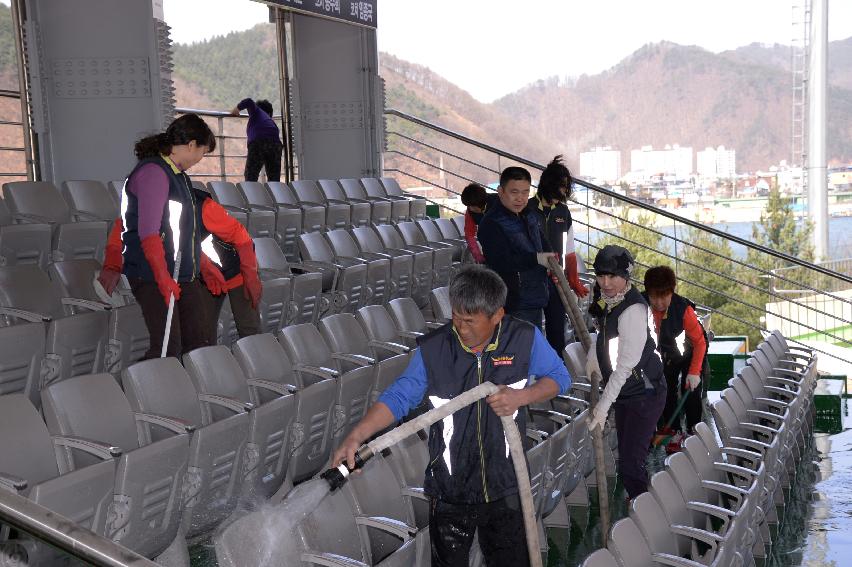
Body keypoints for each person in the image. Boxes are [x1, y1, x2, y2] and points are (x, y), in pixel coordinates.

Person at [332, 265, 571, 567]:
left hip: (507, 484)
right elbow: (398, 397)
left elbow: (560, 377)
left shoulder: (524, 339)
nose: (460, 327)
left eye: (470, 321)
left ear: (497, 315)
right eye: (456, 317)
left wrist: (521, 396)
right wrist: (356, 435)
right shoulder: (435, 350)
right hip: (450, 490)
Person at [100, 113, 261, 358]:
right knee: (168, 347)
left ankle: (192, 393)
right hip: (152, 273)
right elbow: (148, 233)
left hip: (184, 272)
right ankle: (145, 391)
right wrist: (162, 277)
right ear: (191, 145)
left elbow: (185, 232)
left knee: (197, 343)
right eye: (202, 152)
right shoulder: (153, 173)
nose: (199, 159)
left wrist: (202, 264)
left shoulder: (180, 177)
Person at [586, 245, 665, 500]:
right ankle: (640, 507)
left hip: (644, 393)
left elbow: (626, 365)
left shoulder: (633, 310)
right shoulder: (610, 300)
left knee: (632, 464)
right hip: (626, 393)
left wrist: (602, 407)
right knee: (628, 460)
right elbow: (605, 338)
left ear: (626, 277)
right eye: (601, 276)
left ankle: (646, 516)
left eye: (612, 276)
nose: (605, 282)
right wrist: (593, 359)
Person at [477, 166, 557, 330]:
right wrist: (536, 259)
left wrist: (551, 259)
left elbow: (542, 242)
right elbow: (501, 262)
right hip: (512, 302)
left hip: (537, 295)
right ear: (500, 191)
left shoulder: (528, 215)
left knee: (534, 347)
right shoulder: (491, 223)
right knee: (519, 351)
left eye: (525, 192)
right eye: (514, 192)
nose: (520, 198)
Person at [643, 265, 709, 452]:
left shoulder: (683, 310)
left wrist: (694, 372)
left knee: (691, 393)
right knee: (666, 392)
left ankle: (695, 433)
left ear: (672, 292)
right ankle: (672, 435)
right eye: (654, 296)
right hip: (665, 356)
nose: (659, 302)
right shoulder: (640, 306)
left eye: (664, 296)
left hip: (690, 353)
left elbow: (700, 343)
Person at [528, 155, 589, 354]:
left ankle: (558, 374)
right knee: (533, 332)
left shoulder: (563, 212)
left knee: (557, 332)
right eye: (561, 186)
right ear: (548, 184)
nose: (564, 191)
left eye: (566, 187)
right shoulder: (527, 209)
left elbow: (569, 251)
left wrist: (573, 280)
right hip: (532, 281)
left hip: (556, 280)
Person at [230, 98, 283, 182]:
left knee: (251, 175)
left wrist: (236, 109)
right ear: (269, 113)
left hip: (259, 143)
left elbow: (249, 101)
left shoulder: (257, 111)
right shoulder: (270, 121)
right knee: (274, 178)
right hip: (276, 145)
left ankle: (250, 194)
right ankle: (273, 194)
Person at [460, 183, 497, 263]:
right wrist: (478, 257)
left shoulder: (499, 202)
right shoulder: (470, 212)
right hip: (490, 249)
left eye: (471, 206)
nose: (469, 208)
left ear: (480, 204)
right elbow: (469, 234)